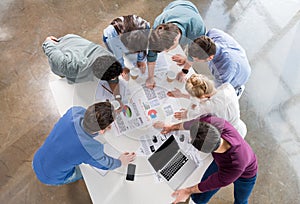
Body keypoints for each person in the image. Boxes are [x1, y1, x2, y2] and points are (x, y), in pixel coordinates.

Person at [155, 115, 258, 204]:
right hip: (222, 162)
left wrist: (188, 190)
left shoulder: (235, 165)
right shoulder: (214, 122)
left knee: (241, 200)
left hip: (246, 174)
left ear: (205, 150)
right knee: (200, 196)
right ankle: (198, 201)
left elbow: (214, 182)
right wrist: (173, 127)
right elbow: (193, 124)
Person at [32, 102, 136, 185]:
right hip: (52, 177)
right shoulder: (91, 149)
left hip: (37, 158)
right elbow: (105, 164)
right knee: (84, 173)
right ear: (102, 131)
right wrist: (120, 162)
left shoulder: (74, 111)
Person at [42, 34, 124, 103]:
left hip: (75, 43)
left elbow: (113, 77)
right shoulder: (71, 67)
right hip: (60, 47)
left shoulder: (109, 57)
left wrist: (117, 97)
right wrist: (48, 42)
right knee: (64, 77)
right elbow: (52, 52)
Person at [173, 28, 251, 97]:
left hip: (239, 76)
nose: (193, 60)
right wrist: (187, 60)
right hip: (237, 56)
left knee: (218, 97)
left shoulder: (225, 69)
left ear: (210, 58)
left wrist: (182, 95)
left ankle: (237, 91)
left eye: (195, 59)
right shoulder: (212, 33)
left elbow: (212, 92)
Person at [146, 0, 206, 89]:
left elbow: (194, 54)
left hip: (189, 8)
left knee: (191, 50)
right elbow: (152, 53)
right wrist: (150, 77)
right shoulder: (159, 22)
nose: (165, 52)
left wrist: (184, 72)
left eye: (167, 50)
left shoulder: (197, 30)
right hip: (174, 7)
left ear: (175, 39)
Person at [167, 73, 247, 138]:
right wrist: (181, 95)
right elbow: (207, 98)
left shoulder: (205, 108)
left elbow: (192, 115)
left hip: (229, 136)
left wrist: (186, 114)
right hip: (240, 126)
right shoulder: (227, 87)